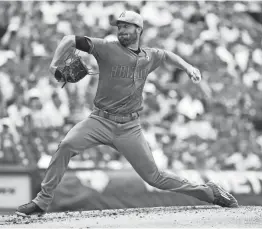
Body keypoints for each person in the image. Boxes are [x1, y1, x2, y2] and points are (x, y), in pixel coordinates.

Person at [16, 11, 238, 216]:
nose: (121, 30)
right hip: (99, 121)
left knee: (155, 178)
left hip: (129, 128)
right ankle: (42, 201)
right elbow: (69, 40)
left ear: (138, 30)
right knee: (66, 145)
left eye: (126, 27)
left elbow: (167, 55)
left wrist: (188, 67)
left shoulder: (149, 56)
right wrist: (54, 64)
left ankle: (210, 193)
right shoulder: (106, 48)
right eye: (119, 27)